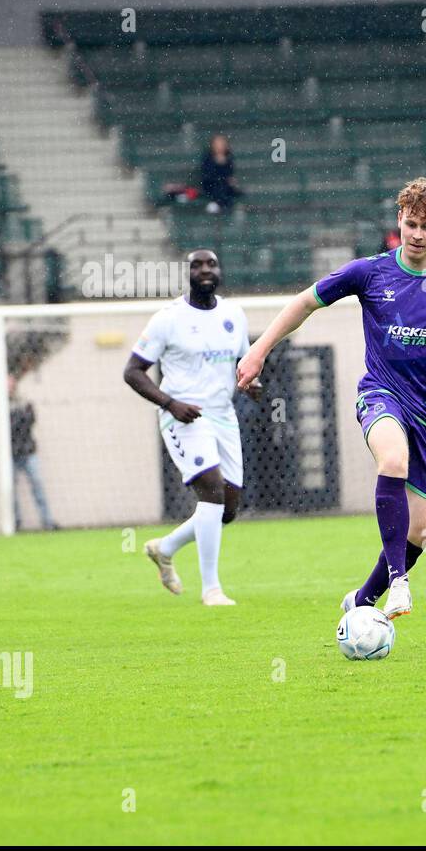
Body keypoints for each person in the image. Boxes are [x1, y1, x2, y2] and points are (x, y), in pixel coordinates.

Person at [237, 178, 426, 619]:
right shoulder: (369, 272)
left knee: (422, 533)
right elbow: (304, 303)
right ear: (398, 221)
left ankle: (362, 600)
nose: (417, 234)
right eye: (410, 224)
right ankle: (400, 584)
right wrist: (259, 349)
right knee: (392, 460)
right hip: (381, 395)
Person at [124, 249, 260, 606]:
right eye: (196, 265)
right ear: (186, 273)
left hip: (222, 415)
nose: (204, 269)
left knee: (227, 510)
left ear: (219, 270)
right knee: (212, 492)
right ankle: (211, 589)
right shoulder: (168, 319)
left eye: (211, 264)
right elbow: (132, 371)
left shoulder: (234, 314)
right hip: (183, 415)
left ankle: (164, 548)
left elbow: (242, 364)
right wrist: (170, 403)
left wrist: (250, 383)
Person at [9, 374, 57, 531]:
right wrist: (18, 420)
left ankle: (47, 522)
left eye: (11, 381)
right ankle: (15, 523)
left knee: (37, 484)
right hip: (9, 455)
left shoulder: (24, 400)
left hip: (28, 451)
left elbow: (30, 419)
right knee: (10, 490)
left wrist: (17, 421)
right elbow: (6, 426)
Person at [200, 134, 240, 214]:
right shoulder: (207, 158)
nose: (220, 147)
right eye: (217, 144)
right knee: (219, 186)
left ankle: (223, 205)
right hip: (211, 186)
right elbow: (207, 175)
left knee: (228, 189)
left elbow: (229, 173)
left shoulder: (229, 158)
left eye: (222, 144)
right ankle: (218, 204)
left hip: (224, 187)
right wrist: (217, 163)